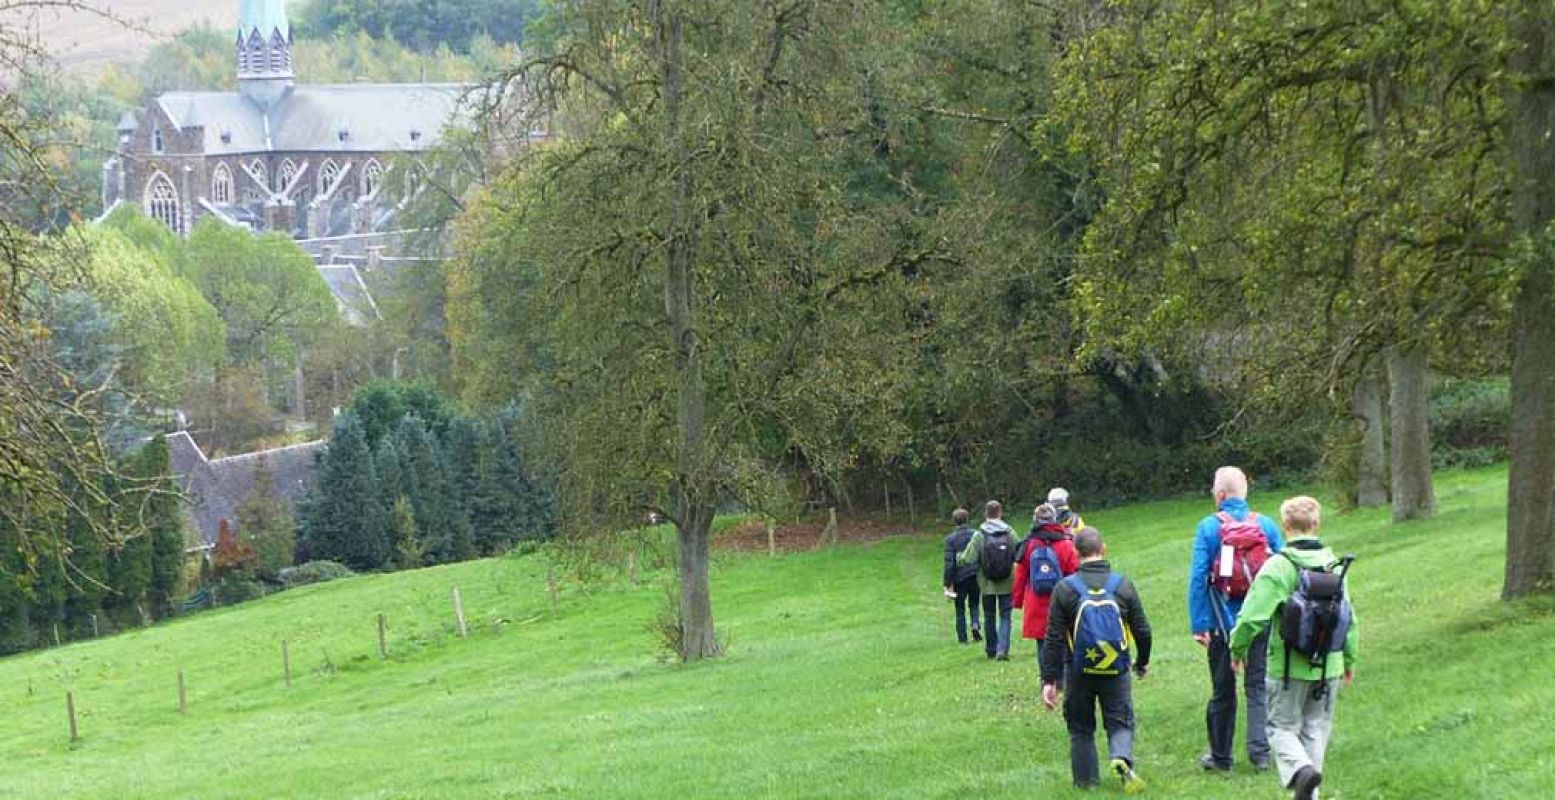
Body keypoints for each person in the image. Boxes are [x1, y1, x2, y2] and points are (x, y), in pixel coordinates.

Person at [1230, 496, 1357, 800]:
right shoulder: (1334, 565)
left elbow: (1252, 616)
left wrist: (1238, 648)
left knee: (1279, 728)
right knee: (1315, 728)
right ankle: (1307, 788)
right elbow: (1349, 619)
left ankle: (1300, 771)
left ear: (1285, 525)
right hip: (1329, 666)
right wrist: (1349, 660)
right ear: (1317, 524)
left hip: (1286, 667)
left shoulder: (1279, 566)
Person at [1188, 466, 1285, 772]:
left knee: (1223, 689)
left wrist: (1199, 624)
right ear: (1246, 492)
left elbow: (1198, 579)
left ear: (1219, 495)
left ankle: (1221, 757)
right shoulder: (1266, 525)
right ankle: (1260, 755)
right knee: (1257, 685)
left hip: (1221, 620)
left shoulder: (1208, 527)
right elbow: (1283, 569)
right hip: (1259, 618)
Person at [1042, 527, 1150, 794]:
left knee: (1080, 728)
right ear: (1103, 549)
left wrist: (1049, 680)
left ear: (1077, 553)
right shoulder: (1122, 585)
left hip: (1078, 671)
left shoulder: (1065, 589)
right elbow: (1142, 630)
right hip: (1117, 670)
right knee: (1120, 721)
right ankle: (1121, 757)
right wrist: (1142, 661)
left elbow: (1054, 638)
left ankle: (1086, 784)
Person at [1013, 504, 1080, 669]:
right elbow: (1074, 572)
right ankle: (1065, 678)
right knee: (1064, 639)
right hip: (1062, 598)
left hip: (1036, 600)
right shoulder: (1065, 543)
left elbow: (1020, 575)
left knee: (1043, 643)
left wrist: (1017, 600)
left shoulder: (1029, 544)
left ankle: (1047, 680)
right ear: (1054, 519)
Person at [957, 501, 1018, 660]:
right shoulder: (1009, 532)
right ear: (1000, 512)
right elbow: (1019, 552)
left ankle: (991, 650)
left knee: (989, 616)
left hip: (986, 583)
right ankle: (1003, 650)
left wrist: (958, 558)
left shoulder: (979, 534)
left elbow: (968, 558)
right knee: (1005, 616)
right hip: (1007, 582)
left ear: (986, 513)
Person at [942, 508, 982, 645]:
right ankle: (975, 624)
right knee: (975, 603)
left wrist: (947, 582)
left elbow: (949, 563)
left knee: (959, 608)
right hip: (975, 574)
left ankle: (963, 638)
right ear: (967, 519)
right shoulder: (975, 534)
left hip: (960, 578)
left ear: (954, 521)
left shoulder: (950, 539)